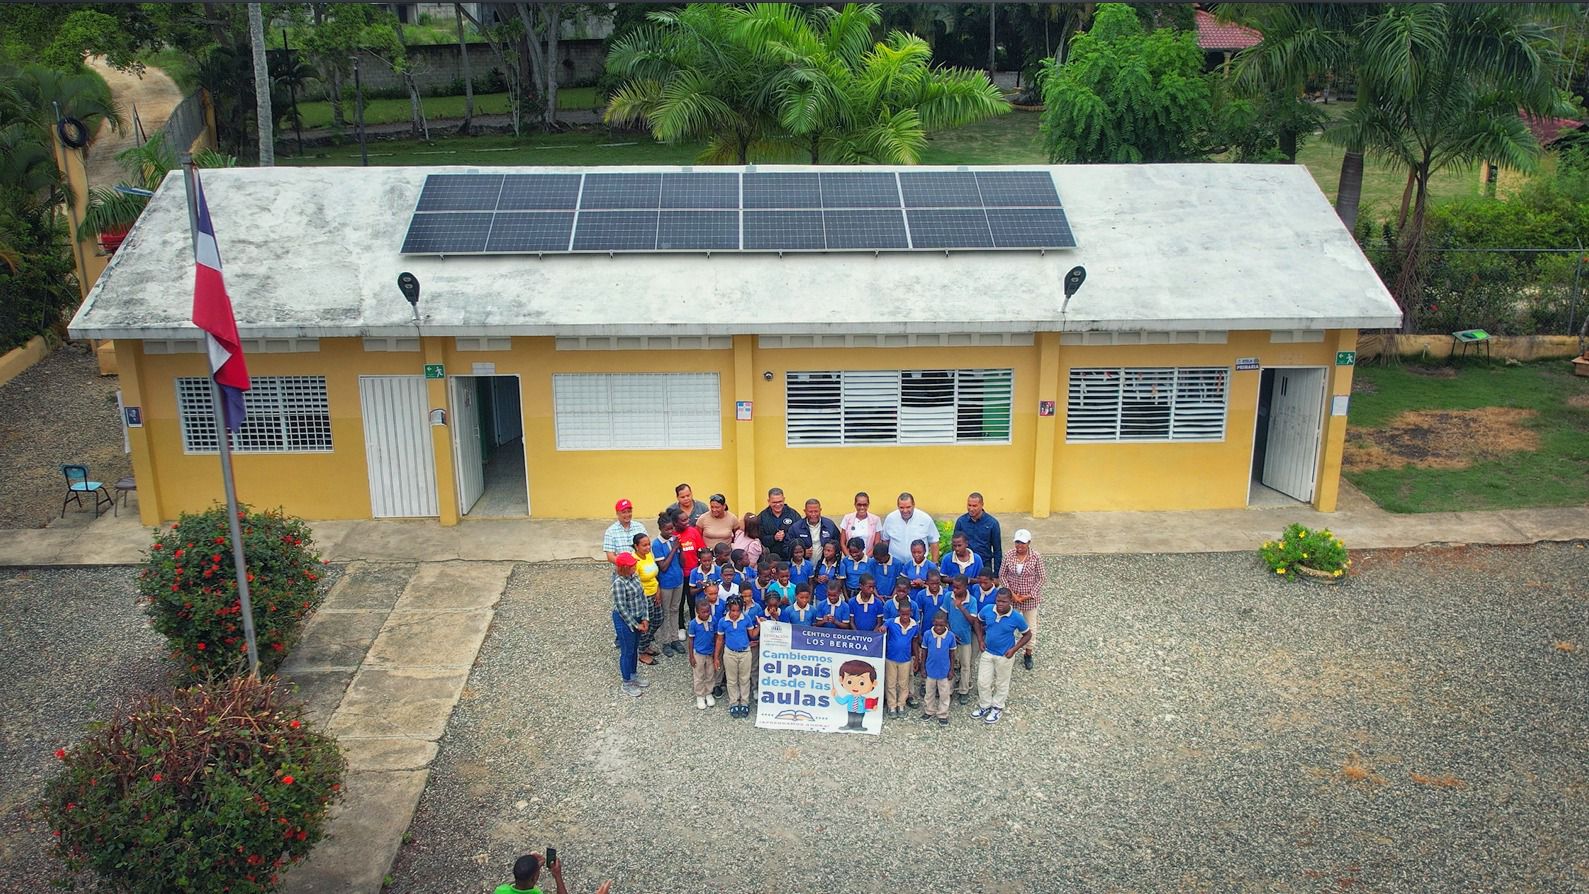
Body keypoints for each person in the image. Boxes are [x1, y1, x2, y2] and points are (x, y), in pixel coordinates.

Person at [972, 588, 1032, 725]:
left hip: (1005, 655)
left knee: (1001, 682)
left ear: (1011, 601)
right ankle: (985, 705)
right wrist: (981, 640)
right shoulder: (988, 609)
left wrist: (1014, 650)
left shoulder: (1017, 617)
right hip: (987, 652)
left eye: (1004, 601)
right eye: (998, 600)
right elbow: (977, 621)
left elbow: (1028, 635)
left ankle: (997, 707)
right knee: (982, 681)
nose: (1000, 604)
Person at [1002, 529, 1048, 670]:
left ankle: (1028, 653)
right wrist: (1012, 594)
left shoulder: (1036, 557)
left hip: (1030, 599)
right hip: (1013, 598)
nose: (1019, 546)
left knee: (1031, 627)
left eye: (1022, 543)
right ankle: (1008, 649)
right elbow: (1002, 575)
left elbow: (1042, 578)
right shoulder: (1008, 555)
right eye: (1017, 542)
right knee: (1009, 624)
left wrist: (1030, 594)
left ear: (1028, 543)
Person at [610, 553, 650, 698]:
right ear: (625, 568)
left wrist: (645, 618)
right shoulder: (619, 583)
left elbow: (643, 597)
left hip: (638, 616)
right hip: (625, 621)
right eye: (632, 564)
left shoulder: (635, 577)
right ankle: (626, 682)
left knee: (634, 648)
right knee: (627, 651)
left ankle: (633, 675)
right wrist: (635, 624)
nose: (635, 565)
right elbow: (621, 607)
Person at [715, 597, 758, 718]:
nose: (735, 614)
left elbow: (752, 634)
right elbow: (719, 640)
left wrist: (759, 625)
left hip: (745, 653)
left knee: (744, 678)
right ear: (728, 609)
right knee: (731, 679)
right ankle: (733, 702)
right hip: (730, 653)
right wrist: (716, 657)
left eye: (737, 611)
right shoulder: (723, 622)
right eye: (732, 610)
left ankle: (744, 701)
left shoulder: (746, 619)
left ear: (741, 610)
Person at [653, 514, 687, 657]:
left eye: (672, 529)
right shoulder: (656, 544)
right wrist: (674, 549)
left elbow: (682, 562)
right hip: (666, 583)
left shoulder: (674, 540)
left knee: (675, 609)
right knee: (665, 611)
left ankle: (674, 638)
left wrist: (681, 549)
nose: (670, 532)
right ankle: (665, 641)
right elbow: (663, 567)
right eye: (667, 530)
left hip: (678, 580)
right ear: (660, 529)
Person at [945, 574, 981, 704]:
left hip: (965, 639)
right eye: (954, 587)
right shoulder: (948, 596)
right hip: (950, 639)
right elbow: (944, 615)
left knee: (965, 665)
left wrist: (961, 607)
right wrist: (949, 631)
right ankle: (948, 690)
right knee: (950, 664)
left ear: (966, 587)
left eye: (958, 588)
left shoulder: (972, 601)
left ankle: (963, 690)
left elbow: (972, 620)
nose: (954, 590)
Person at [918, 609, 957, 725]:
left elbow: (952, 654)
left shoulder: (950, 636)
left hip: (944, 671)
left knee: (944, 694)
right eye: (936, 624)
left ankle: (943, 714)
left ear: (946, 624)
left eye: (941, 625)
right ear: (932, 623)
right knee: (929, 692)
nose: (939, 627)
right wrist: (923, 667)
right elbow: (924, 651)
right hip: (930, 670)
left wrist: (951, 669)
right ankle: (929, 711)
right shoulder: (927, 634)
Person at [631, 533, 665, 665]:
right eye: (644, 545)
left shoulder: (649, 555)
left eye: (648, 544)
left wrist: (657, 590)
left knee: (658, 619)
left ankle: (645, 644)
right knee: (647, 624)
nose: (648, 547)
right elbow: (635, 583)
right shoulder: (635, 561)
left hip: (654, 592)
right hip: (643, 597)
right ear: (636, 546)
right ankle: (642, 652)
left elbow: (654, 576)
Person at [953, 491, 1004, 577]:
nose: (971, 509)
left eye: (975, 506)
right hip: (965, 565)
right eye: (969, 505)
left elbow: (997, 550)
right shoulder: (961, 521)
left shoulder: (992, 523)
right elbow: (954, 545)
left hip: (984, 565)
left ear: (982, 505)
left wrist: (996, 575)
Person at [883, 602, 919, 718]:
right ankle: (891, 705)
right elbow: (883, 627)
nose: (905, 617)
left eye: (907, 614)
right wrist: (882, 628)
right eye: (902, 614)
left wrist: (917, 658)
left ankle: (901, 704)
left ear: (911, 614)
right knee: (891, 683)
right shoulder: (891, 622)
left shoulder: (914, 626)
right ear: (899, 613)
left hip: (906, 659)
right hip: (890, 658)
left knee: (904, 683)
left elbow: (915, 642)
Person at [880, 492, 938, 564]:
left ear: (913, 505)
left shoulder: (925, 519)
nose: (905, 511)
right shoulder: (890, 518)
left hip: (918, 565)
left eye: (908, 507)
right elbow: (885, 540)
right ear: (897, 506)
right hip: (895, 565)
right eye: (901, 507)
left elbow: (934, 542)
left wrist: (934, 564)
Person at [687, 597, 718, 710]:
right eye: (703, 612)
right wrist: (691, 656)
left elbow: (715, 636)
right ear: (697, 611)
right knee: (699, 675)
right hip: (698, 653)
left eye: (707, 611)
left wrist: (715, 652)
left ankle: (708, 692)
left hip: (710, 652)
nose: (706, 614)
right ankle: (700, 695)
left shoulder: (713, 620)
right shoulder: (693, 624)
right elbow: (690, 640)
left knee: (710, 673)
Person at [830, 659, 880, 732]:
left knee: (859, 720)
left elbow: (866, 708)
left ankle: (858, 726)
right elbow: (841, 702)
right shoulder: (849, 697)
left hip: (860, 712)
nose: (855, 686)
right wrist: (835, 695)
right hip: (850, 710)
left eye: (861, 683)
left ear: (873, 683)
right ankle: (849, 725)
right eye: (849, 682)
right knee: (850, 719)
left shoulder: (864, 699)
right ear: (841, 680)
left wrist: (872, 709)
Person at [756, 487, 803, 562]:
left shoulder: (793, 514)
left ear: (784, 499)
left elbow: (800, 534)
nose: (777, 504)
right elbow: (759, 538)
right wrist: (774, 538)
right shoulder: (762, 517)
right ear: (768, 501)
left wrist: (786, 536)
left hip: (790, 559)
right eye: (774, 502)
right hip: (770, 560)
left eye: (780, 501)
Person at [602, 499, 647, 569]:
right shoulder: (610, 531)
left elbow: (647, 547)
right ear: (617, 513)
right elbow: (610, 557)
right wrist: (627, 564)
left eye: (629, 512)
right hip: (622, 570)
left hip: (641, 568)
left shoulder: (640, 527)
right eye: (624, 512)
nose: (627, 515)